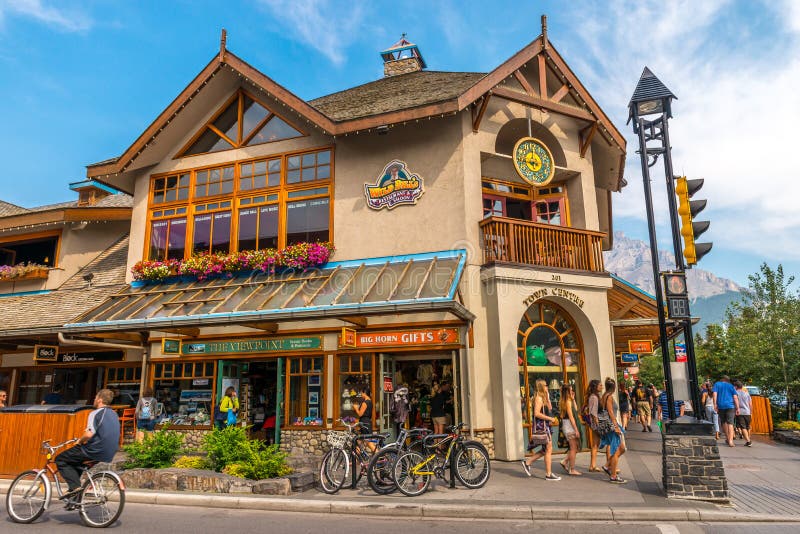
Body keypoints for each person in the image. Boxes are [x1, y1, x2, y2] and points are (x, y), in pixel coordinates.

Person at [54, 389, 120, 501]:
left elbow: (89, 434)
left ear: (99, 400)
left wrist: (79, 441)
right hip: (110, 452)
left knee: (60, 459)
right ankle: (75, 499)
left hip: (94, 450)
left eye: (95, 398)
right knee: (76, 463)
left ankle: (74, 487)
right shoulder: (114, 414)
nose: (94, 400)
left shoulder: (95, 413)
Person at [521, 379, 560, 481]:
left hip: (545, 425)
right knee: (548, 449)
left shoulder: (543, 397)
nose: (547, 387)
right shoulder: (538, 398)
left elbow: (550, 408)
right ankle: (548, 474)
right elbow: (537, 413)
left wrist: (547, 396)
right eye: (546, 385)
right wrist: (550, 419)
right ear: (542, 386)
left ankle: (528, 462)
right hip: (542, 426)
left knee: (546, 449)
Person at [600, 377, 627, 483]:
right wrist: (616, 426)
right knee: (617, 449)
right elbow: (611, 412)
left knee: (622, 448)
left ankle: (607, 466)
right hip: (612, 426)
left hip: (610, 425)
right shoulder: (609, 397)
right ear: (614, 387)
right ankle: (613, 475)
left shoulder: (604, 396)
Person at [558, 383, 581, 476]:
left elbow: (576, 409)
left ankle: (565, 461)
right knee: (573, 448)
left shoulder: (567, 400)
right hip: (569, 425)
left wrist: (573, 398)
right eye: (571, 390)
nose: (572, 391)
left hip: (568, 425)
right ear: (567, 391)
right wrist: (576, 429)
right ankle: (572, 469)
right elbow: (571, 417)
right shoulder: (567, 402)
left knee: (575, 447)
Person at [586, 379, 608, 472]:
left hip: (595, 423)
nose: (602, 387)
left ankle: (593, 465)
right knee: (597, 444)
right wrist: (598, 425)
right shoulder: (594, 397)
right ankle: (595, 465)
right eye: (600, 385)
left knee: (595, 444)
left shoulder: (595, 396)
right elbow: (593, 413)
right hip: (596, 424)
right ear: (595, 387)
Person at [713, 376, 740, 447]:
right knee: (730, 423)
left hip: (721, 406)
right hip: (730, 406)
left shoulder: (717, 384)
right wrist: (737, 408)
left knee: (724, 422)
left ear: (722, 379)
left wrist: (715, 404)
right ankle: (731, 441)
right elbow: (735, 397)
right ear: (728, 380)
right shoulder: (731, 386)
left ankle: (728, 438)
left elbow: (715, 394)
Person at [353, 386, 375, 451]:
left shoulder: (365, 403)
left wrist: (356, 408)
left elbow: (360, 414)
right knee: (358, 441)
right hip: (366, 423)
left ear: (364, 393)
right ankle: (357, 460)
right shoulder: (370, 401)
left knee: (369, 443)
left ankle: (380, 457)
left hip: (365, 424)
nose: (361, 395)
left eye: (361, 393)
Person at [734, 381, 753, 447]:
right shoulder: (747, 393)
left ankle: (748, 441)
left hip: (740, 412)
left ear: (736, 386)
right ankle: (748, 439)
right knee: (748, 426)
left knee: (743, 427)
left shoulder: (735, 394)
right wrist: (751, 412)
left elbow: (734, 403)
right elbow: (750, 404)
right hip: (747, 412)